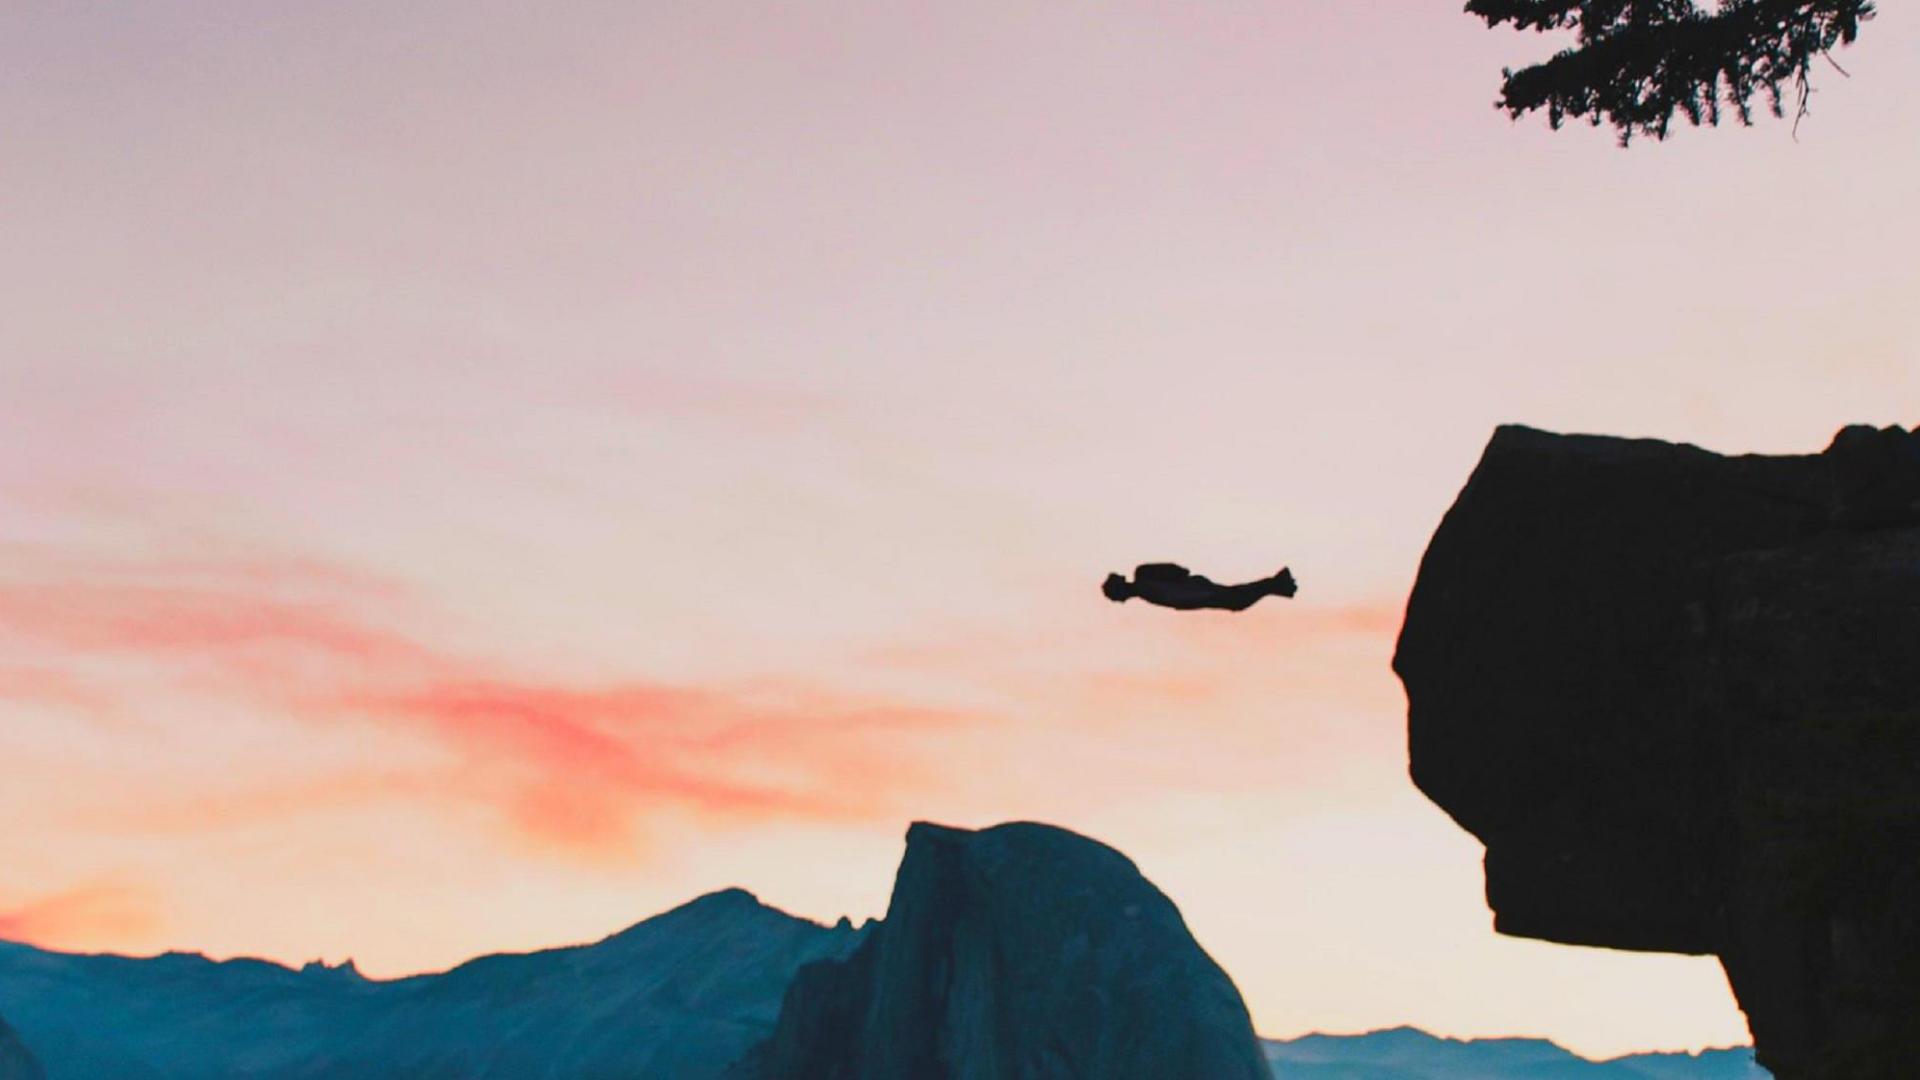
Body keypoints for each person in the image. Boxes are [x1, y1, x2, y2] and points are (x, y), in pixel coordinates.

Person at [1101, 562, 1297, 612]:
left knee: (1236, 600)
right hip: (1195, 595)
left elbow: (1178, 571)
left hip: (1196, 591)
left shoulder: (1144, 577)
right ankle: (1278, 585)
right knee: (1237, 600)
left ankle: (1277, 583)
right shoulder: (1146, 592)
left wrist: (1193, 592)